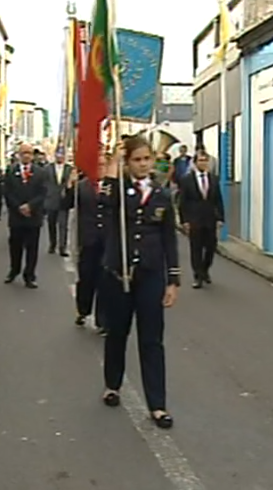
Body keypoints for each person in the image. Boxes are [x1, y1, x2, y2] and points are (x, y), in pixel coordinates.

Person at [99, 136, 180, 429]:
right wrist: (113, 163)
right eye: (137, 159)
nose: (143, 164)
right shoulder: (119, 190)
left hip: (150, 276)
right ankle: (112, 384)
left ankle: (157, 404)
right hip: (119, 273)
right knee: (117, 333)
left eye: (147, 159)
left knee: (152, 339)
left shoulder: (162, 194)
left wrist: (173, 280)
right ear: (128, 162)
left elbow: (169, 238)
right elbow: (104, 201)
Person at [67, 151, 109, 335]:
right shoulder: (82, 186)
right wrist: (70, 186)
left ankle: (103, 320)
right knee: (86, 278)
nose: (100, 169)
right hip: (88, 239)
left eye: (103, 165)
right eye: (97, 165)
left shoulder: (114, 186)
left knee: (105, 281)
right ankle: (83, 311)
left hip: (108, 241)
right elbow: (66, 204)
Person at [178, 148, 225, 288]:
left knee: (211, 247)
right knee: (196, 248)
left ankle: (205, 270)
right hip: (194, 219)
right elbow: (182, 202)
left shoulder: (213, 179)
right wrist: (184, 220)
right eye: (200, 160)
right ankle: (197, 276)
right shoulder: (187, 180)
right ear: (195, 162)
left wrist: (220, 218)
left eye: (205, 160)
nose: (203, 163)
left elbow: (218, 200)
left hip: (210, 218)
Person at [3, 143, 47, 288]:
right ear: (19, 155)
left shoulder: (41, 172)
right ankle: (14, 270)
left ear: (33, 155)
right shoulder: (11, 171)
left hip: (33, 217)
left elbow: (43, 193)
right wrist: (19, 207)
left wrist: (30, 206)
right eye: (23, 153)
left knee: (32, 248)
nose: (26, 156)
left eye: (29, 153)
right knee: (15, 247)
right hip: (16, 217)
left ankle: (30, 275)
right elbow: (7, 192)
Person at [44, 151, 73, 256]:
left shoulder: (69, 169)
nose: (60, 157)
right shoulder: (47, 168)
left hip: (63, 201)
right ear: (55, 156)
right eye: (58, 155)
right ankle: (52, 244)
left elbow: (72, 183)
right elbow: (44, 183)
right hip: (51, 200)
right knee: (51, 224)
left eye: (62, 155)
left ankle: (62, 247)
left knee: (63, 225)